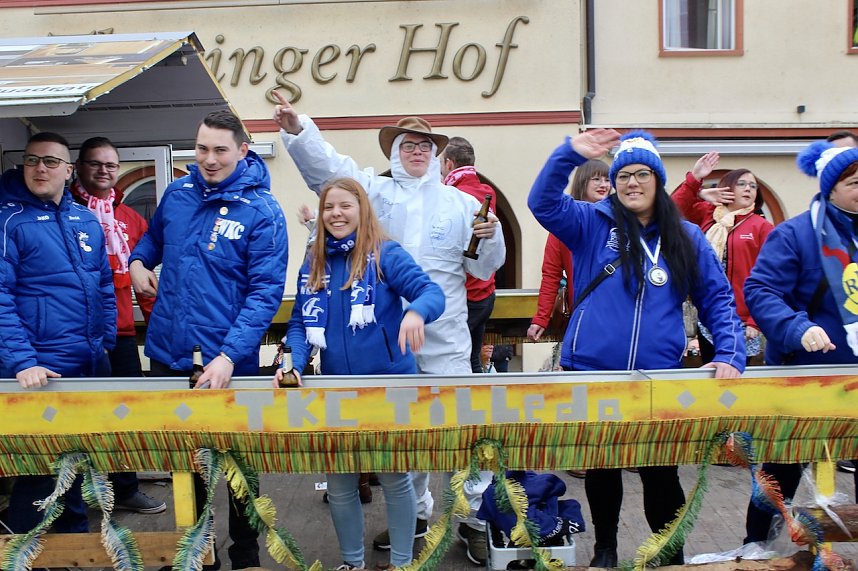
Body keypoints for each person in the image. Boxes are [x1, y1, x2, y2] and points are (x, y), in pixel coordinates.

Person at [272, 92, 505, 565]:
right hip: (385, 346)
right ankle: (414, 518)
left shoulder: (463, 204)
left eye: (425, 145)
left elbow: (484, 268)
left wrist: (491, 236)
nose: (417, 152)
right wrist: (298, 130)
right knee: (406, 443)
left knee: (460, 432)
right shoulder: (374, 193)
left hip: (444, 339)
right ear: (395, 152)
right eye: (407, 145)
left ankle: (472, 520)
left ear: (437, 154)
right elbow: (329, 172)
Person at [528, 129, 745, 567]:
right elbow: (542, 203)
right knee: (603, 468)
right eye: (623, 175)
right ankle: (605, 550)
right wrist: (568, 155)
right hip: (594, 371)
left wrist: (729, 352)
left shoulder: (685, 236)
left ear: (657, 180)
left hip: (657, 376)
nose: (632, 183)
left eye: (642, 174)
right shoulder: (590, 223)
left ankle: (670, 553)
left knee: (661, 471)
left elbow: (717, 298)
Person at [130, 110, 288, 570]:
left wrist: (228, 356)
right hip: (171, 352)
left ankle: (246, 556)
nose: (210, 159)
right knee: (186, 462)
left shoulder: (263, 211)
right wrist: (138, 263)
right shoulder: (177, 193)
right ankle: (197, 554)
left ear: (243, 150)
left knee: (238, 465)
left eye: (220, 150)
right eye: (202, 148)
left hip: (228, 362)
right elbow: (152, 240)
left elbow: (265, 294)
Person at [275, 177, 445, 571]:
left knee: (394, 478)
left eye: (345, 205)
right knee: (340, 482)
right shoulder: (314, 260)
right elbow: (300, 322)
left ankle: (401, 563)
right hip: (337, 386)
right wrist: (294, 362)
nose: (336, 213)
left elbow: (431, 293)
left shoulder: (386, 253)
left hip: (389, 385)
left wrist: (417, 313)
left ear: (361, 210)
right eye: (328, 207)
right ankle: (352, 563)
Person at [742, 140, 858, 543]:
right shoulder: (795, 234)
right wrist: (797, 328)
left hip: (856, 378)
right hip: (804, 375)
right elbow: (760, 291)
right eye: (855, 183)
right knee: (780, 472)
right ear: (831, 188)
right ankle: (757, 547)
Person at [0, 132, 116, 534]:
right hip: (38, 371)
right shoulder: (8, 221)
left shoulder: (85, 219)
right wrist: (23, 362)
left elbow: (103, 284)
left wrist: (104, 342)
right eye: (32, 160)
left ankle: (72, 543)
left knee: (78, 461)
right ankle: (21, 552)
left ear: (69, 172)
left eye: (50, 162)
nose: (40, 169)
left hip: (86, 364)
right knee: (41, 471)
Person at [70, 136, 166, 516]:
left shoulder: (130, 218)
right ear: (79, 167)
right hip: (74, 337)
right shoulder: (63, 211)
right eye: (96, 164)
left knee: (123, 413)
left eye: (111, 165)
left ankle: (125, 488)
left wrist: (158, 328)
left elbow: (145, 280)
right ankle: (73, 497)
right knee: (77, 416)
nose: (104, 171)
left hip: (121, 333)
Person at [671, 153, 773, 365]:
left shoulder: (762, 227)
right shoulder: (708, 215)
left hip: (743, 319)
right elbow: (672, 210)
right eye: (741, 184)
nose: (748, 189)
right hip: (707, 312)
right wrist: (698, 189)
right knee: (711, 372)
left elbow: (770, 276)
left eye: (753, 186)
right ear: (727, 188)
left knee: (738, 374)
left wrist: (755, 320)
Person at [527, 159, 610, 343]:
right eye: (596, 179)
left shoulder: (620, 220)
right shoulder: (565, 223)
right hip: (583, 315)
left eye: (607, 179)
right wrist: (541, 318)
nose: (603, 184)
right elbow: (551, 274)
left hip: (617, 314)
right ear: (583, 181)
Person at [440, 136, 499, 373]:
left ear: (449, 164)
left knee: (455, 359)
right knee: (474, 357)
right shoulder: (487, 192)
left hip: (465, 293)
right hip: (486, 292)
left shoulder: (452, 196)